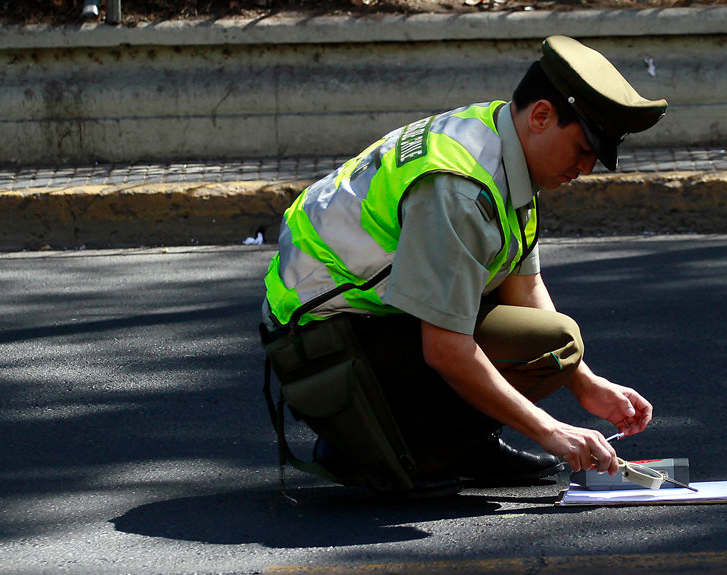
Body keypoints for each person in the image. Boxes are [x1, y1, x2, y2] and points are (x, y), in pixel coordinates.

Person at [260, 35, 667, 497]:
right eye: (583, 148)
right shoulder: (458, 187)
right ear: (541, 116)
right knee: (552, 343)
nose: (588, 168)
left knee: (556, 344)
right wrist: (549, 430)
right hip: (321, 345)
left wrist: (585, 383)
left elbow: (523, 288)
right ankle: (388, 449)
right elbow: (445, 349)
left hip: (364, 324)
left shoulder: (500, 137)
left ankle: (464, 444)